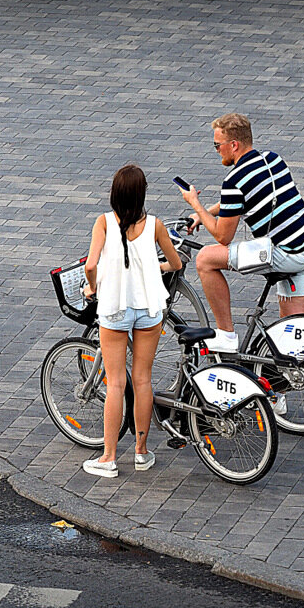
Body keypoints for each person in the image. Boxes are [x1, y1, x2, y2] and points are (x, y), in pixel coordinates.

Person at [178, 112, 304, 355]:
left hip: (284, 253)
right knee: (290, 342)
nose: (216, 150)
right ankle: (280, 384)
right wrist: (202, 214)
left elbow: (223, 237)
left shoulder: (234, 180)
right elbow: (242, 200)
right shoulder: (272, 159)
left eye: (217, 145)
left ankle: (225, 335)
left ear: (233, 145)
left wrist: (196, 204)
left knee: (205, 259)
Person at [80, 164, 182, 478]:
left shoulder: (104, 223)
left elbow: (91, 265)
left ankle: (109, 458)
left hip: (114, 309)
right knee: (142, 380)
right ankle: (141, 452)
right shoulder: (155, 225)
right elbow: (175, 263)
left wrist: (92, 286)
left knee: (116, 383)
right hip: (149, 308)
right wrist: (154, 266)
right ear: (142, 194)